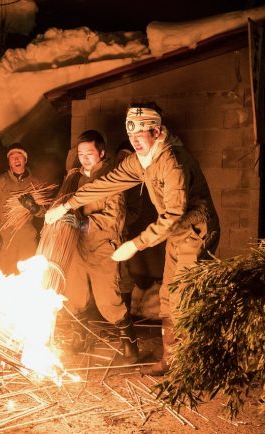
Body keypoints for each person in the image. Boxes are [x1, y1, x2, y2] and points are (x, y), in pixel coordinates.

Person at [45, 103, 220, 375]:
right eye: (131, 136)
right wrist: (67, 206)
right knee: (168, 296)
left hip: (195, 232)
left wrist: (135, 244)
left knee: (184, 298)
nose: (135, 142)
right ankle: (171, 360)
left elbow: (174, 213)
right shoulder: (143, 160)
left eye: (141, 135)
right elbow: (110, 181)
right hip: (176, 234)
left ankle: (191, 365)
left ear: (157, 131)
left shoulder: (171, 161)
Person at [53, 130, 138, 360]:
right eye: (81, 153)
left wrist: (83, 223)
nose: (85, 158)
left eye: (89, 153)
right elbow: (61, 205)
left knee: (108, 300)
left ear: (101, 153)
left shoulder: (112, 179)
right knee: (75, 295)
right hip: (77, 247)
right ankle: (80, 338)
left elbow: (115, 218)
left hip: (102, 246)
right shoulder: (74, 178)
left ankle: (130, 345)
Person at [0, 143, 43, 275]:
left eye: (19, 156)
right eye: (12, 157)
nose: (16, 159)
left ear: (25, 159)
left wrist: (34, 207)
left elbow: (44, 212)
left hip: (27, 238)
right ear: (9, 162)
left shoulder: (35, 183)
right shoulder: (1, 182)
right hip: (5, 238)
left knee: (29, 277)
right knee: (5, 276)